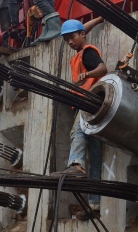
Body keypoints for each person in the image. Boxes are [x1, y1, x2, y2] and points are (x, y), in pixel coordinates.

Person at [51, 17, 107, 220]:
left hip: (89, 102)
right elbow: (81, 30)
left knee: (77, 132)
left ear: (82, 35)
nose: (69, 42)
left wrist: (87, 75)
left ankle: (75, 164)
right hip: (94, 105)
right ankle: (95, 203)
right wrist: (99, 18)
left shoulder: (87, 53)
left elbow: (103, 69)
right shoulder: (80, 51)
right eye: (66, 39)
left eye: (72, 37)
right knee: (96, 159)